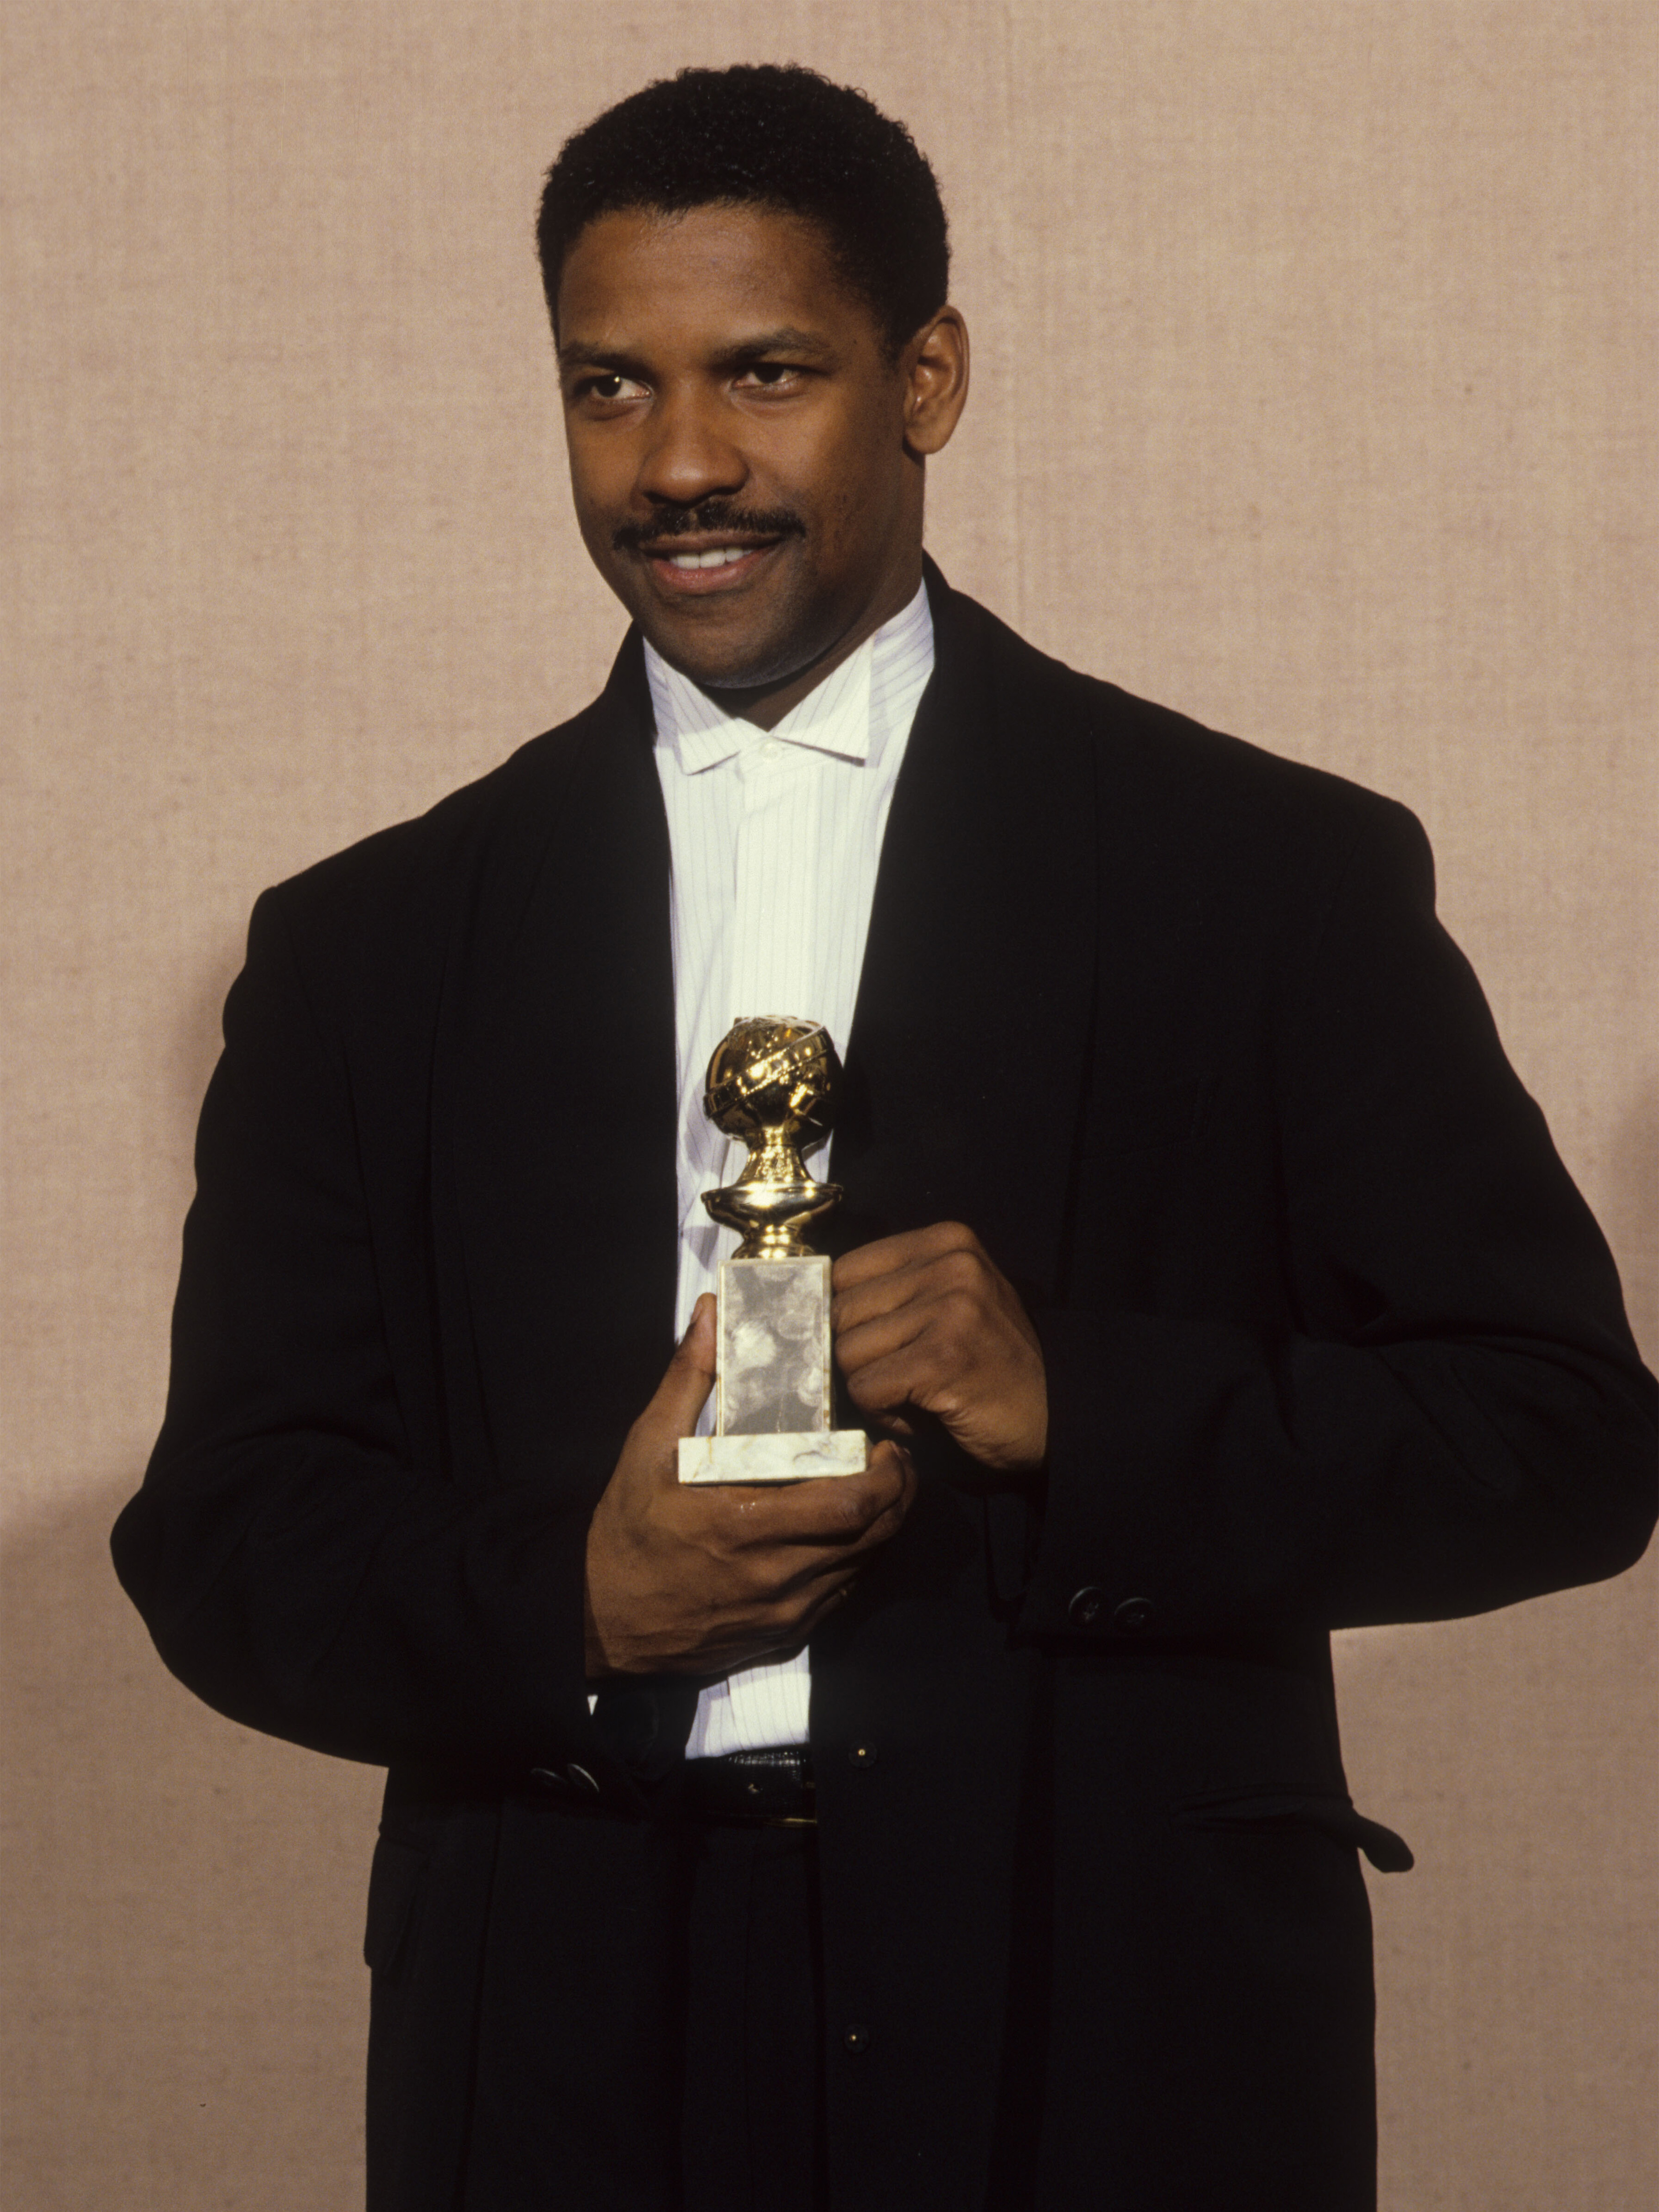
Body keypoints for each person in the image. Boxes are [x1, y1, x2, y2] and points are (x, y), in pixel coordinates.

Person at [111, 63, 1656, 2212]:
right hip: (557, 2026)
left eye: (764, 372)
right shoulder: (371, 945)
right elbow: (226, 1535)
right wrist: (579, 1590)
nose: (678, 463)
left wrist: (1085, 1404)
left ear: (925, 377)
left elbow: (1567, 1439)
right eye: (606, 386)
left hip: (1118, 2023)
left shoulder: (1262, 871)